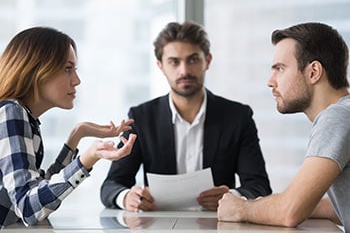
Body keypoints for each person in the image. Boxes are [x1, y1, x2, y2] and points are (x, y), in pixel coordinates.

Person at [100, 21, 272, 212]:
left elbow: (259, 186)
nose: (184, 71)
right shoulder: (141, 118)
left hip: (218, 226)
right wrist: (127, 198)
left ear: (207, 61)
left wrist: (232, 198)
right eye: (174, 62)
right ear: (160, 66)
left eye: (193, 60)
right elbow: (111, 185)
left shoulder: (238, 117)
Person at [0, 27, 137, 228]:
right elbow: (28, 207)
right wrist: (87, 159)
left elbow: (35, 189)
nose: (77, 80)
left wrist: (76, 136)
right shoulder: (11, 113)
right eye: (67, 69)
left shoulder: (22, 116)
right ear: (37, 70)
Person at [218, 22, 349, 231]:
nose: (271, 81)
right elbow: (341, 209)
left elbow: (290, 213)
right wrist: (271, 204)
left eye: (280, 68)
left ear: (314, 72)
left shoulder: (337, 118)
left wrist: (241, 209)